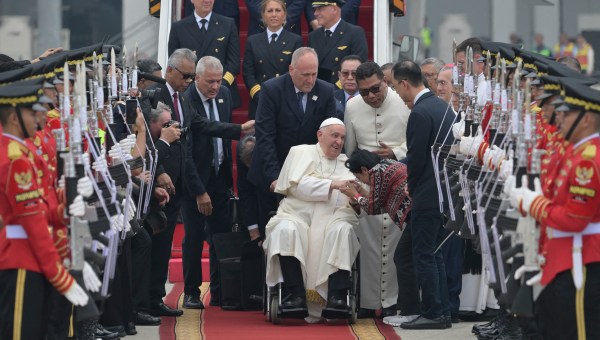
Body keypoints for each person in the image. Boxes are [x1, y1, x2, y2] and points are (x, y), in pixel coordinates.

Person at [507, 78, 600, 340]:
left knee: (576, 331)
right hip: (564, 255)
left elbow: (574, 219)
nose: (559, 118)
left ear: (585, 120)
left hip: (580, 259)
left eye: (566, 113)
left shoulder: (587, 161)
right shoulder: (577, 152)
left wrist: (532, 203)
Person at [0, 84, 89, 340]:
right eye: (32, 113)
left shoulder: (22, 152)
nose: (40, 117)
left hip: (32, 255)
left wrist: (66, 204)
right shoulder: (15, 158)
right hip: (20, 259)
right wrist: (61, 278)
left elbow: (43, 208)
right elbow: (34, 224)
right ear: (15, 118)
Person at [263, 118, 360, 322]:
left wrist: (355, 195)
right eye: (334, 135)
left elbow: (355, 196)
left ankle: (337, 297)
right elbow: (298, 186)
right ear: (320, 135)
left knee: (342, 230)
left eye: (342, 137)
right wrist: (333, 184)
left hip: (334, 218)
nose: (339, 141)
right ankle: (295, 295)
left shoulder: (346, 163)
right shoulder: (301, 152)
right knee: (285, 230)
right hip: (297, 214)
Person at [343, 61, 412, 320]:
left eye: (375, 89)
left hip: (397, 186)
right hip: (366, 184)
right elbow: (349, 150)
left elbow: (414, 144)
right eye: (364, 92)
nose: (371, 96)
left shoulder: (403, 103)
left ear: (385, 81)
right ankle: (369, 301)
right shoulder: (351, 107)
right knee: (370, 246)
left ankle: (393, 301)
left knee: (395, 246)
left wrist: (395, 152)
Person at [247, 47, 339, 236]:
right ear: (291, 70)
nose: (310, 80)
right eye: (305, 75)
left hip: (306, 175)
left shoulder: (326, 91)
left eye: (314, 74)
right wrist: (275, 177)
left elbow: (328, 135)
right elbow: (266, 137)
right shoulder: (272, 89)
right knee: (272, 234)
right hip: (271, 169)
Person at [391, 60, 455, 329]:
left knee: (425, 255)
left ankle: (433, 313)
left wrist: (412, 188)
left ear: (405, 83)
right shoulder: (444, 108)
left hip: (428, 195)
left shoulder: (419, 113)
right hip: (446, 191)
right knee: (433, 253)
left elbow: (416, 159)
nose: (396, 92)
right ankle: (440, 310)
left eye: (395, 86)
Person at [180, 56, 244, 309]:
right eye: (210, 82)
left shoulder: (225, 95)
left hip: (220, 178)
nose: (215, 86)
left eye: (218, 81)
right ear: (196, 78)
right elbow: (186, 152)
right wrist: (199, 191)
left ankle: (220, 291)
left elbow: (222, 135)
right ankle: (192, 291)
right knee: (194, 238)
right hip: (194, 180)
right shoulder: (186, 100)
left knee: (221, 237)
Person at [168, 0, 242, 108]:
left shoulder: (228, 24)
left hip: (220, 92)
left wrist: (218, 85)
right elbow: (175, 64)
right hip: (191, 94)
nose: (207, 0)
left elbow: (234, 64)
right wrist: (194, 87)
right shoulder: (179, 28)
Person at [243, 0, 303, 119]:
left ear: (284, 15)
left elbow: (296, 72)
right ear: (263, 15)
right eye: (270, 11)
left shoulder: (295, 40)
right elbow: (248, 73)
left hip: (285, 100)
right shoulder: (253, 41)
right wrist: (259, 95)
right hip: (259, 100)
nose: (274, 14)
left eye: (278, 10)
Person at [341, 150, 411, 227]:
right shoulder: (387, 162)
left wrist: (355, 195)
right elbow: (379, 203)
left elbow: (372, 209)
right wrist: (361, 191)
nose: (361, 181)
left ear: (364, 170)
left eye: (358, 177)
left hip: (417, 213)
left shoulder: (376, 173)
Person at [308, 0, 368, 87]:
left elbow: (360, 66)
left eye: (320, 9)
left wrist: (338, 86)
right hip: (319, 90)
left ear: (334, 9)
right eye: (315, 10)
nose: (316, 13)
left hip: (344, 89)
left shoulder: (354, 33)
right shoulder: (313, 36)